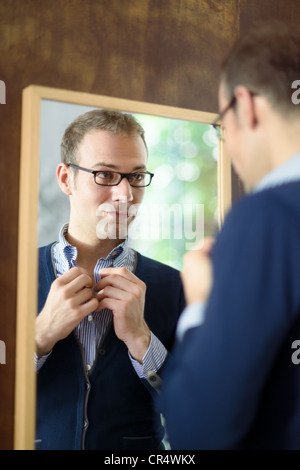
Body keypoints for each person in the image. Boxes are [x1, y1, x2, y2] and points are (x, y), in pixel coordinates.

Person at [160, 21, 300, 450]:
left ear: (246, 104)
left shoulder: (266, 217)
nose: (228, 147)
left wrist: (201, 303)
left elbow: (197, 432)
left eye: (221, 126)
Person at [35, 109, 185, 450]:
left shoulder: (176, 287)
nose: (125, 195)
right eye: (105, 174)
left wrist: (143, 342)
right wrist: (38, 337)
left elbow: (202, 409)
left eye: (135, 176)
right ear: (65, 179)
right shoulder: (10, 277)